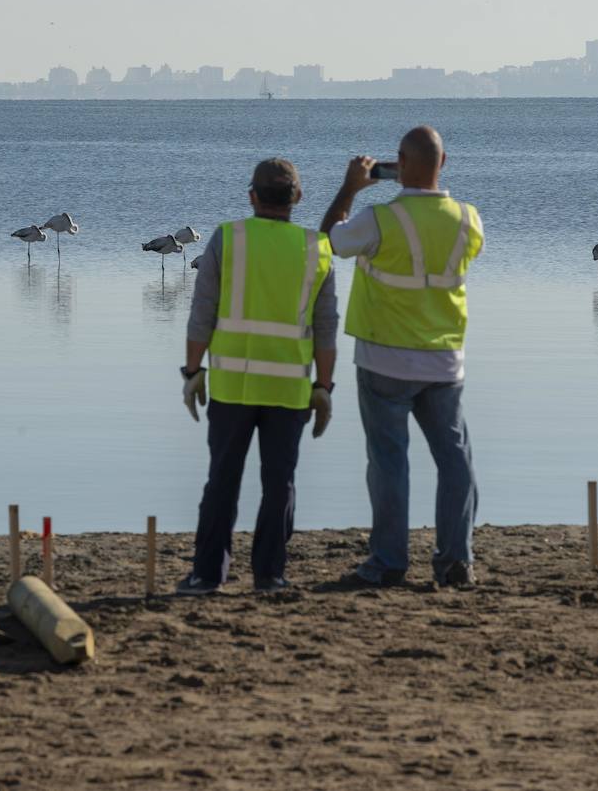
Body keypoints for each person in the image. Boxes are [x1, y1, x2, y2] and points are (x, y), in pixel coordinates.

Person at [319, 126, 484, 588]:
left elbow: (329, 240)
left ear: (400, 164)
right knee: (454, 459)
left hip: (384, 357)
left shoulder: (378, 219)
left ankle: (389, 561)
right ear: (444, 162)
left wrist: (350, 188)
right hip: (444, 359)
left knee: (390, 463)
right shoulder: (470, 219)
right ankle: (456, 559)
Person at [178, 158, 338, 594]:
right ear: (298, 199)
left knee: (222, 481)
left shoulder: (228, 240)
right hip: (290, 389)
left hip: (233, 385)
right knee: (279, 483)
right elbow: (326, 328)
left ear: (251, 196)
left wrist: (192, 373)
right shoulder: (316, 248)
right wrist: (324, 387)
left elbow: (201, 316)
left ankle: (208, 575)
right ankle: (270, 574)